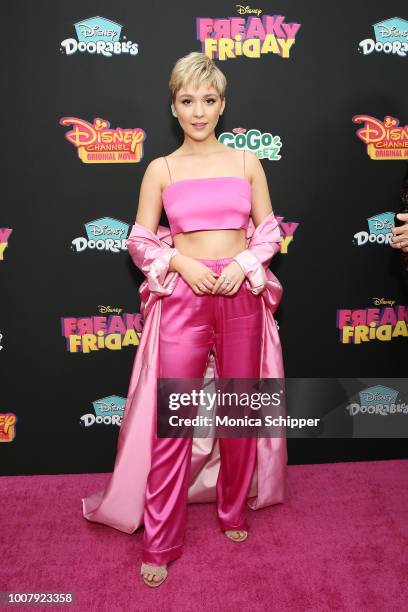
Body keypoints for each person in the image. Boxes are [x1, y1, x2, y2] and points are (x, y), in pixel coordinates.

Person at [82, 51, 287, 588]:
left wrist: (243, 263)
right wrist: (179, 261)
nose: (199, 111)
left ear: (222, 105)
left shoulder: (247, 163)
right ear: (174, 106)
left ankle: (233, 509)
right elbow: (139, 238)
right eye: (188, 101)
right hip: (184, 296)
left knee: (239, 410)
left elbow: (269, 231)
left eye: (209, 100)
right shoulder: (161, 168)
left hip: (241, 292)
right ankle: (160, 539)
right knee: (174, 424)